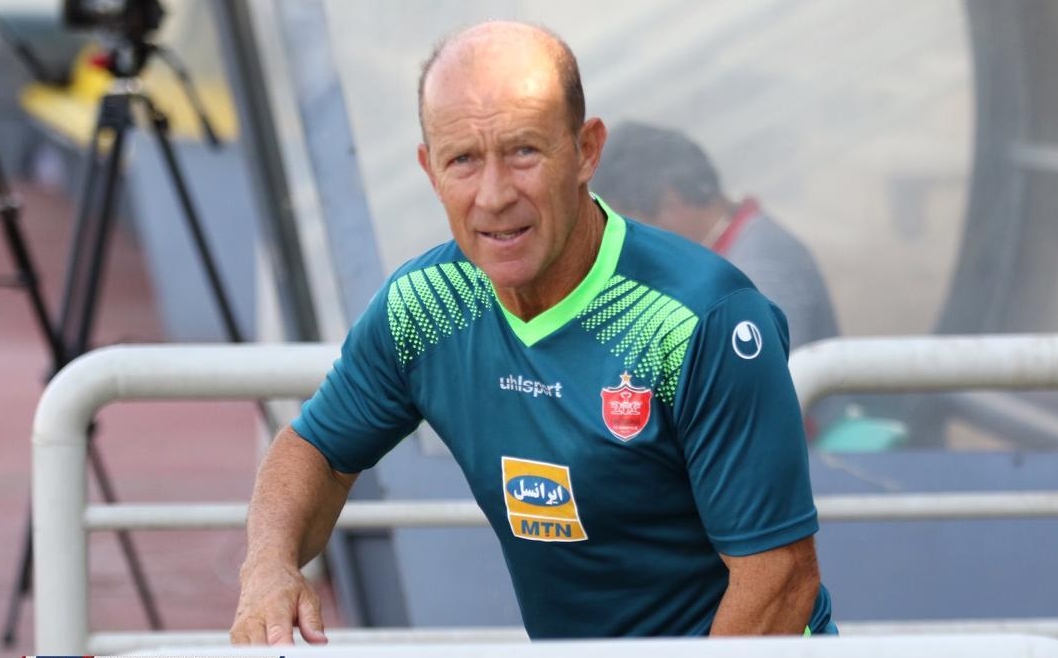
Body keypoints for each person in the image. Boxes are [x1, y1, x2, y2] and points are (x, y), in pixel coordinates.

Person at [230, 21, 834, 645]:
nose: (494, 196)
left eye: (523, 152)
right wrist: (268, 565)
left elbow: (779, 580)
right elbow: (317, 451)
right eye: (463, 159)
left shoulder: (704, 317)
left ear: (586, 151)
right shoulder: (424, 305)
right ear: (430, 170)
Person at [593, 122, 839, 350]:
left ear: (671, 204)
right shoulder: (737, 250)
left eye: (633, 228)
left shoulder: (757, 272)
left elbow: (763, 376)